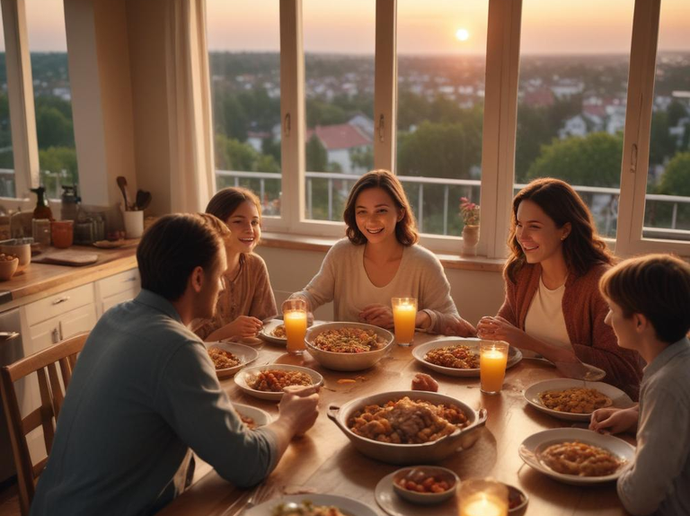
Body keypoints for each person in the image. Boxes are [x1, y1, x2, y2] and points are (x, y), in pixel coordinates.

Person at [13, 214, 319, 516]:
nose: (224, 285)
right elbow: (246, 463)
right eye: (220, 276)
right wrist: (290, 419)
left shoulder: (115, 318)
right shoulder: (176, 346)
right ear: (197, 278)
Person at [588, 253, 690, 516]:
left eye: (612, 310)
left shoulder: (668, 384)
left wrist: (605, 463)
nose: (605, 319)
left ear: (640, 322)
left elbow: (639, 497)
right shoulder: (677, 362)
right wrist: (635, 413)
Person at [477, 177, 641, 398]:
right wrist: (490, 330)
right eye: (519, 224)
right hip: (528, 393)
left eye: (534, 226)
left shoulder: (600, 283)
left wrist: (535, 344)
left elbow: (622, 369)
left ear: (564, 230)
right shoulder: (521, 272)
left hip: (587, 407)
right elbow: (505, 331)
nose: (522, 236)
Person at [291, 169, 475, 336]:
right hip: (345, 360)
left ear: (400, 213)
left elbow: (455, 323)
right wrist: (297, 303)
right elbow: (311, 296)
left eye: (381, 211)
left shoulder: (424, 263)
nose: (371, 221)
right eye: (362, 212)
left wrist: (409, 318)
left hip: (403, 366)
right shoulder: (342, 253)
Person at [195, 187, 277, 341]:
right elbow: (190, 345)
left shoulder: (255, 265)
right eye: (238, 221)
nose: (250, 229)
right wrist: (229, 331)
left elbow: (266, 325)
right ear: (217, 225)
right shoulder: (198, 273)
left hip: (247, 358)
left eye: (254, 222)